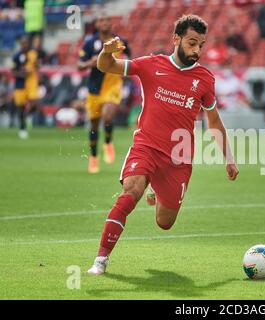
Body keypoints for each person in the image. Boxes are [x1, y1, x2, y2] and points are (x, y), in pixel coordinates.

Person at [87, 15, 239, 275]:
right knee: (129, 195)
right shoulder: (150, 64)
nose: (197, 50)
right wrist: (105, 52)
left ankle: (157, 189)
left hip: (179, 158)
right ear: (176, 39)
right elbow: (106, 66)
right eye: (192, 43)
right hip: (146, 146)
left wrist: (229, 157)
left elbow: (213, 121)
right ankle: (100, 259)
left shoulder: (204, 79)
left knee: (164, 223)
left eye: (201, 45)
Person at [78, 14, 131, 174]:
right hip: (94, 89)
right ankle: (93, 158)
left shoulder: (120, 42)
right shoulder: (89, 43)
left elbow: (129, 58)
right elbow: (79, 65)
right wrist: (89, 63)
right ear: (97, 23)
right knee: (94, 124)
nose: (105, 22)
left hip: (113, 86)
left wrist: (125, 70)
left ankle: (108, 143)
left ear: (111, 23)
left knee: (108, 116)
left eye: (107, 20)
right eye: (101, 20)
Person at [12, 35, 40, 139]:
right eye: (23, 43)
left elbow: (37, 66)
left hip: (31, 83)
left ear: (28, 43)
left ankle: (28, 116)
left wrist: (37, 64)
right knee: (20, 107)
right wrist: (23, 73)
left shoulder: (33, 54)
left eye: (26, 43)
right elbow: (13, 71)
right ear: (20, 44)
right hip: (20, 85)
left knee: (35, 104)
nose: (24, 45)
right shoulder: (16, 56)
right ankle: (22, 128)